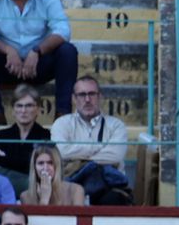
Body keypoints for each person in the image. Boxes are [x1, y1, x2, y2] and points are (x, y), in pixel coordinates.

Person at [0, 0, 78, 127]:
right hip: (7, 65)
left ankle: (63, 115)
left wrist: (37, 51)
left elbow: (63, 30)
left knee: (68, 51)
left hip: (38, 65)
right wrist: (8, 50)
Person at [51, 76, 131, 204]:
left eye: (92, 94)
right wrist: (99, 147)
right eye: (82, 94)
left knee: (113, 200)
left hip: (109, 185)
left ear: (100, 97)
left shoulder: (116, 125)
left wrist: (79, 158)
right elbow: (62, 152)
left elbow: (115, 156)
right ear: (74, 98)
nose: (87, 99)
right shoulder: (61, 124)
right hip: (71, 183)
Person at [0, 85, 50, 199]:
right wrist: (26, 163)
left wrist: (8, 162)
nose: (23, 111)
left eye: (29, 106)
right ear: (13, 110)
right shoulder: (1, 135)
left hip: (36, 194)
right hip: (7, 192)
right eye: (19, 106)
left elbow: (41, 167)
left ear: (37, 109)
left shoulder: (45, 135)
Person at [19, 144, 86, 205]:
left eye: (50, 163)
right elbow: (39, 218)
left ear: (57, 165)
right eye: (41, 163)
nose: (45, 168)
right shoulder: (26, 196)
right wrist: (44, 199)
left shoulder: (76, 191)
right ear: (34, 167)